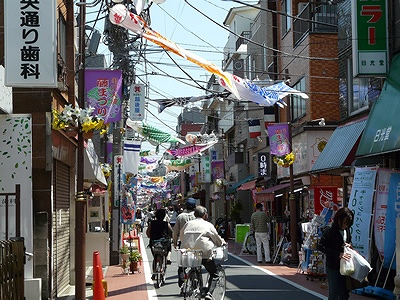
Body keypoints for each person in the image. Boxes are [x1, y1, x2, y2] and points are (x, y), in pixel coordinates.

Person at [180, 206, 225, 300]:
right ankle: (209, 293)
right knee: (214, 273)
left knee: (194, 266)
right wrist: (221, 243)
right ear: (205, 215)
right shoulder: (208, 225)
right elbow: (216, 237)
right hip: (204, 253)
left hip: (188, 252)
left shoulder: (188, 224)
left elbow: (181, 235)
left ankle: (191, 280)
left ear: (195, 214)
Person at [318, 207, 354, 300]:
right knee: (334, 292)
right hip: (333, 265)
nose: (345, 225)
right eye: (344, 222)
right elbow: (321, 246)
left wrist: (349, 246)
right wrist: (338, 254)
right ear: (339, 219)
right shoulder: (330, 230)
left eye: (348, 223)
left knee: (345, 292)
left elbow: (348, 242)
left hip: (346, 265)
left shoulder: (347, 230)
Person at [173, 198, 197, 287]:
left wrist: (175, 242)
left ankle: (181, 279)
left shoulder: (180, 216)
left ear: (185, 206)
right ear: (195, 207)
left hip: (183, 243)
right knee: (196, 263)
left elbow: (175, 231)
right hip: (196, 243)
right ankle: (195, 277)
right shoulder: (197, 216)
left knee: (182, 265)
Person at [146, 208, 173, 279]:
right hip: (164, 244)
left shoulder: (152, 223)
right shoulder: (166, 224)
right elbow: (171, 233)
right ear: (164, 216)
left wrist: (152, 236)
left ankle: (154, 273)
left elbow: (148, 234)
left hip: (153, 243)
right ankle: (168, 258)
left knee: (155, 257)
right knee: (169, 247)